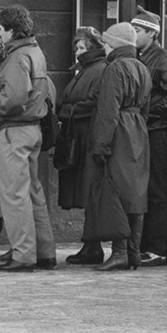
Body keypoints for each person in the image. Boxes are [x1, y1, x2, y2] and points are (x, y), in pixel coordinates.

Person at [0, 5, 56, 272]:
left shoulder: (17, 58)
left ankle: (23, 254)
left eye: (0, 30)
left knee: (14, 194)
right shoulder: (34, 51)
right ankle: (44, 251)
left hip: (15, 129)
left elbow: (13, 97)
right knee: (32, 191)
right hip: (33, 127)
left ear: (10, 30)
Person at [89, 22, 151, 271]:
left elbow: (108, 110)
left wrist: (101, 145)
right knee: (135, 194)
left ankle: (120, 252)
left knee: (116, 192)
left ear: (114, 44)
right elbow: (146, 107)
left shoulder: (115, 68)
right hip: (137, 130)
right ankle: (133, 252)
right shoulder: (141, 67)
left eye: (105, 42)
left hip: (119, 132)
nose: (104, 47)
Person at [130, 6, 167, 267]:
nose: (133, 34)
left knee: (157, 188)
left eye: (137, 30)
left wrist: (145, 113)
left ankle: (158, 247)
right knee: (145, 188)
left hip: (156, 132)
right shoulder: (140, 56)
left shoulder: (161, 58)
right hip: (144, 129)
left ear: (151, 33)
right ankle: (145, 244)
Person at [59, 27, 108, 265]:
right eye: (76, 47)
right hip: (79, 137)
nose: (77, 52)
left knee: (90, 191)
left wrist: (67, 110)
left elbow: (93, 102)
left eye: (81, 48)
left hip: (88, 137)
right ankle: (90, 244)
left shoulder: (97, 69)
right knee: (86, 191)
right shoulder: (86, 70)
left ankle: (92, 245)